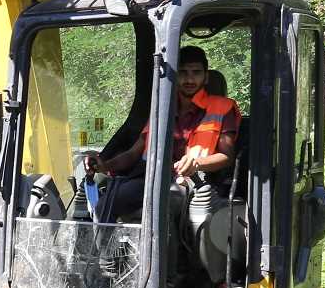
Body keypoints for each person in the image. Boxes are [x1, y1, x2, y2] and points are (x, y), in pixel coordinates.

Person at [88, 47, 240, 221]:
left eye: (196, 73)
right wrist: (104, 165)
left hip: (192, 181)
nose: (189, 79)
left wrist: (196, 163)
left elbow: (227, 156)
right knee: (105, 204)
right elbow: (133, 154)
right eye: (183, 72)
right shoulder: (161, 107)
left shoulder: (222, 107)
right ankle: (106, 248)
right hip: (150, 178)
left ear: (206, 77)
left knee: (162, 209)